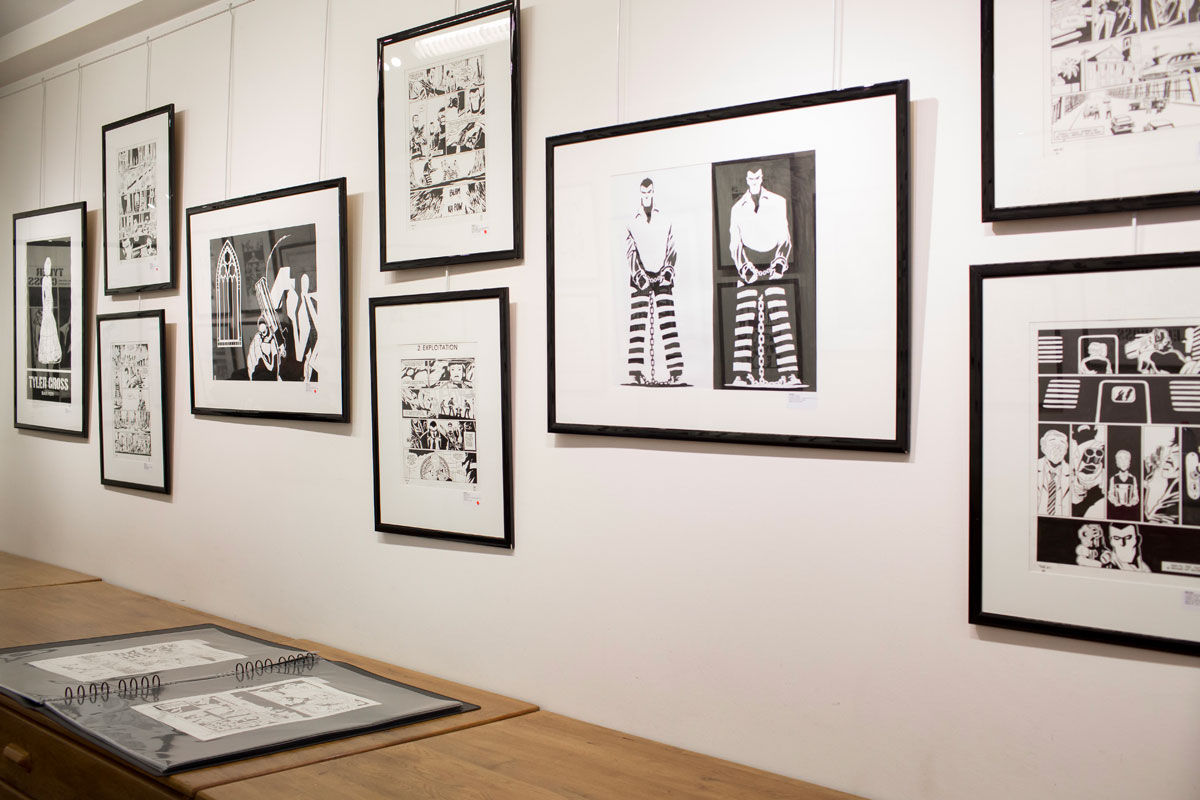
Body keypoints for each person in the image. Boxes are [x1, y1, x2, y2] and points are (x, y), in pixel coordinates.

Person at [727, 167, 801, 386]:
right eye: (750, 178)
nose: (754, 181)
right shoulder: (737, 208)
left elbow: (784, 236)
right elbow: (734, 242)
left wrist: (779, 261)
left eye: (757, 177)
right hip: (748, 267)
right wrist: (744, 267)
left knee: (780, 320)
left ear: (762, 178)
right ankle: (741, 374)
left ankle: (789, 373)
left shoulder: (778, 202)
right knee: (744, 321)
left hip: (773, 266)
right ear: (746, 179)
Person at [625, 178, 685, 386]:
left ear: (653, 192)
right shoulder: (632, 222)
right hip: (640, 277)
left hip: (662, 275)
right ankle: (634, 372)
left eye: (649, 192)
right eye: (643, 193)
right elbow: (630, 251)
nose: (646, 196)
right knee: (637, 324)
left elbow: (672, 246)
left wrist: (668, 270)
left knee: (668, 323)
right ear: (640, 194)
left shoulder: (665, 220)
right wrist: (638, 274)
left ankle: (676, 372)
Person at [1037, 429, 1072, 516]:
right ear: (1043, 446)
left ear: (1066, 450)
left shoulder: (1073, 473)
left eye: (1062, 442)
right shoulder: (1033, 466)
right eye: (1052, 441)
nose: (1057, 446)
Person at [36, 258, 62, 366]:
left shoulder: (49, 279)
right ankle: (46, 354)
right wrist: (46, 308)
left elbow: (49, 294)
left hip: (49, 305)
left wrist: (49, 307)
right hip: (47, 307)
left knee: (51, 328)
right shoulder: (44, 280)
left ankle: (51, 354)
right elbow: (43, 294)